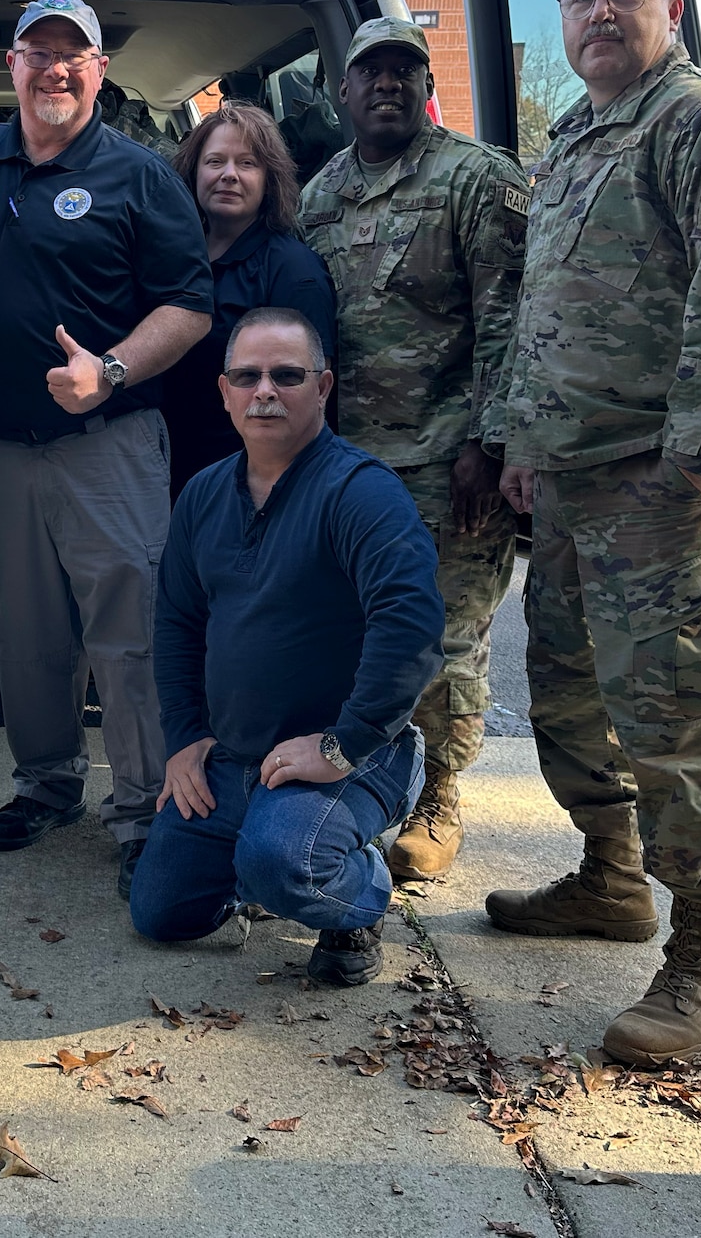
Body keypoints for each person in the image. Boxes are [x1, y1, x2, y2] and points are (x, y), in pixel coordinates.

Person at [490, 0, 701, 1066]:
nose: (597, 16)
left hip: (658, 493)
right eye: (580, 1)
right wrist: (522, 441)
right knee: (569, 696)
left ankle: (698, 959)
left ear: (668, 5)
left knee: (678, 723)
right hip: (568, 486)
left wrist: (698, 465)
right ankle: (608, 880)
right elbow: (546, 310)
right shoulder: (574, 136)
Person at [0, 0, 212, 897]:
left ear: (99, 70)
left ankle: (142, 810)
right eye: (37, 53)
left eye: (74, 55)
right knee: (25, 634)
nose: (56, 69)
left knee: (128, 637)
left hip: (108, 443)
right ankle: (46, 784)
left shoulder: (140, 175)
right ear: (11, 67)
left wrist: (113, 371)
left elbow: (190, 306)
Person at [130, 308, 443, 986]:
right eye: (247, 376)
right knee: (161, 912)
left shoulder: (362, 493)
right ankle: (261, 858)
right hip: (236, 757)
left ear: (324, 387)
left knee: (285, 867)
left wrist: (344, 744)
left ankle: (358, 899)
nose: (264, 391)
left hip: (348, 757)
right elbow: (177, 622)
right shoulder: (204, 494)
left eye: (287, 375)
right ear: (224, 392)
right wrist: (184, 736)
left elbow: (412, 625)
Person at [296, 18, 529, 883]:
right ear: (343, 92)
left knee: (444, 639)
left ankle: (440, 794)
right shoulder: (320, 198)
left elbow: (512, 319)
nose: (387, 85)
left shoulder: (476, 180)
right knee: (354, 635)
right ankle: (360, 777)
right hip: (348, 467)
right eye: (371, 73)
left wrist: (488, 440)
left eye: (405, 70)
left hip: (449, 466)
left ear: (425, 84)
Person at [159, 101, 335, 496]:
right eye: (215, 161)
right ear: (192, 172)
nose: (229, 176)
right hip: (168, 474)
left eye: (247, 164)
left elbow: (307, 401)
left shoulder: (294, 271)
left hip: (250, 484)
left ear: (270, 179)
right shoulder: (167, 259)